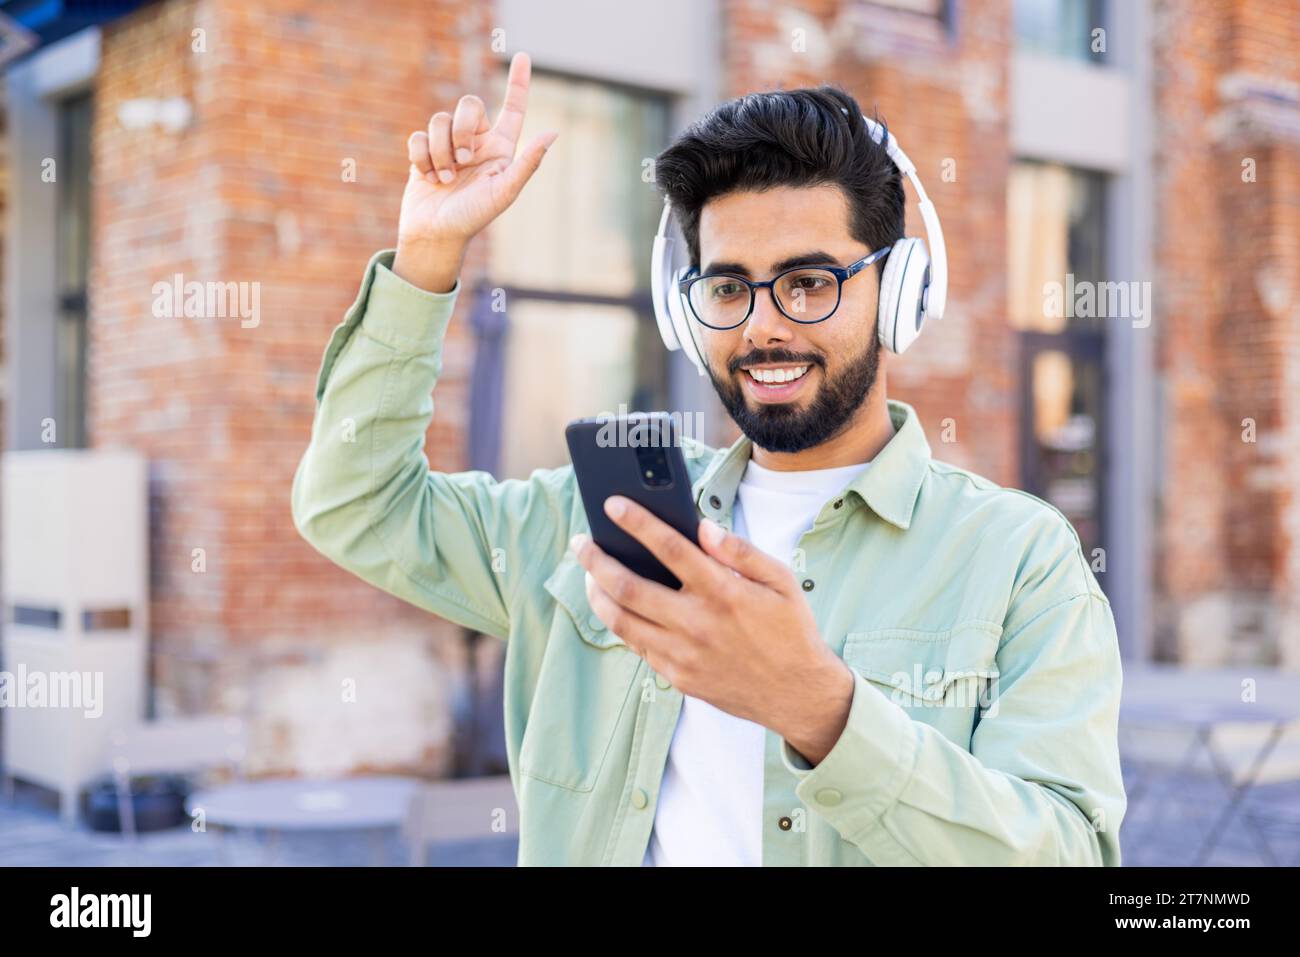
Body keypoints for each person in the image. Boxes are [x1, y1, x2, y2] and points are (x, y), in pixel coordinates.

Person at [291, 51, 1126, 866]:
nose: (764, 326)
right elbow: (355, 502)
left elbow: (1071, 851)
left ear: (901, 290)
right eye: (728, 288)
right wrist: (427, 257)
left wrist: (821, 710)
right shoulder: (591, 519)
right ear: (684, 310)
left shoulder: (1019, 559)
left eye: (809, 282)